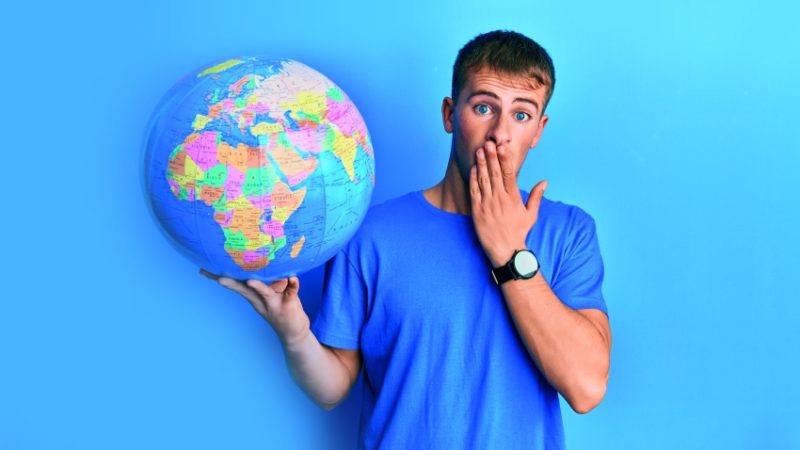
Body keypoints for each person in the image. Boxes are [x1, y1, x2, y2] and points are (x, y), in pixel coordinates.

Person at [204, 30, 611, 449]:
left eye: (521, 115)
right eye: (484, 107)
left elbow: (585, 387)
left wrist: (509, 252)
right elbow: (332, 389)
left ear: (539, 129)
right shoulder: (372, 235)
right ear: (450, 114)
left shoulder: (570, 232)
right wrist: (292, 332)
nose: (500, 133)